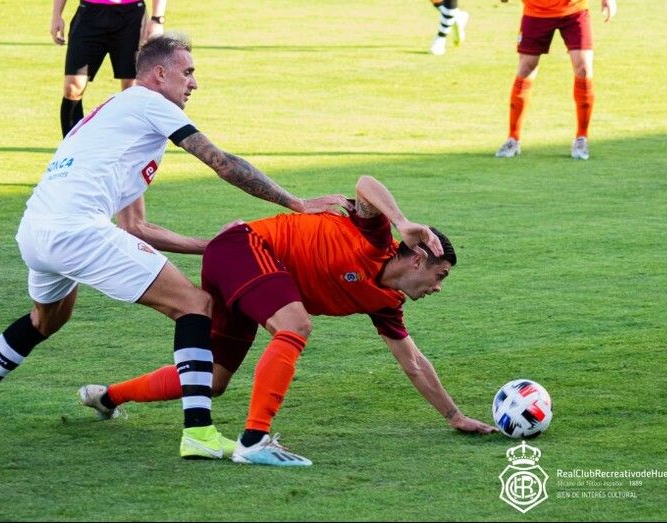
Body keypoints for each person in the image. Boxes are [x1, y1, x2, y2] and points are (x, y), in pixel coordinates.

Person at [0, 35, 350, 464]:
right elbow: (222, 162)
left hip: (37, 231)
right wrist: (296, 203)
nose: (194, 84)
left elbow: (137, 227)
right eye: (187, 73)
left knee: (45, 320)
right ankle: (199, 433)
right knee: (195, 304)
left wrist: (218, 247)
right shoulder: (151, 104)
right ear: (159, 74)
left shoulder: (121, 120)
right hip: (76, 229)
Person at [78, 175, 497, 467]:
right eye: (439, 276)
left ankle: (108, 397)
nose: (438, 288)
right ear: (419, 258)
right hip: (244, 247)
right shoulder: (377, 236)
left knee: (214, 380)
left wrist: (454, 416)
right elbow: (365, 183)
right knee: (295, 325)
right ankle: (255, 440)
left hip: (247, 271)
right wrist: (404, 221)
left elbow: (414, 362)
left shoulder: (386, 302)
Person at [495, 0, 617, 160]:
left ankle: (582, 138)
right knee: (526, 68)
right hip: (536, 10)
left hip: (574, 9)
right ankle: (513, 139)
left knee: (584, 68)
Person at [51, 0, 168, 137]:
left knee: (133, 90)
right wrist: (56, 16)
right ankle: (71, 149)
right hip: (89, 15)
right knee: (72, 87)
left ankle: (129, 149)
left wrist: (157, 19)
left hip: (132, 18)